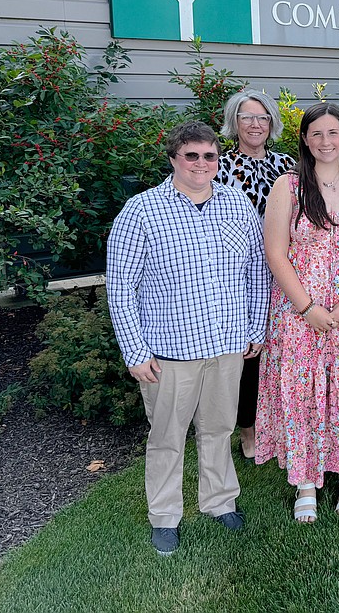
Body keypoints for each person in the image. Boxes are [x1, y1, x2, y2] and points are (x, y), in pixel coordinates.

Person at [106, 120, 269, 556]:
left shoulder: (237, 204)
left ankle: (219, 501)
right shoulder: (142, 210)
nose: (201, 164)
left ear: (220, 159)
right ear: (174, 159)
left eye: (209, 155)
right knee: (167, 436)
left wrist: (256, 326)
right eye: (191, 155)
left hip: (227, 344)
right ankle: (164, 515)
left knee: (219, 428)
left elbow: (257, 270)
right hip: (169, 352)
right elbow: (121, 287)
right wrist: (135, 351)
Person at [255, 103, 339, 523]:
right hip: (299, 311)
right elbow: (276, 254)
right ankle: (305, 481)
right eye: (317, 134)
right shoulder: (288, 186)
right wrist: (307, 307)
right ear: (305, 140)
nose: (326, 141)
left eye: (334, 133)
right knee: (303, 390)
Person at [216, 88, 295, 462]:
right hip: (240, 274)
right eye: (247, 117)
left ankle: (279, 423)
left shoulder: (287, 165)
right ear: (234, 122)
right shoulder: (220, 167)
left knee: (279, 350)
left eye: (262, 117)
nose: (255, 124)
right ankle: (247, 429)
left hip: (287, 270)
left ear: (272, 123)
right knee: (248, 353)